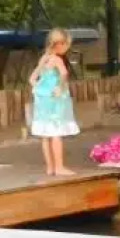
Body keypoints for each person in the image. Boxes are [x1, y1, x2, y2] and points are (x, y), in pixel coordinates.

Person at [29, 29, 80, 175]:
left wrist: (38, 87)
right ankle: (59, 167)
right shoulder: (57, 59)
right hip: (54, 101)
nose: (67, 49)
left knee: (45, 135)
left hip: (42, 100)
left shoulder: (44, 58)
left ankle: (50, 168)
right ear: (60, 44)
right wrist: (59, 87)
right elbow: (64, 74)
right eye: (66, 45)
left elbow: (32, 78)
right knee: (56, 133)